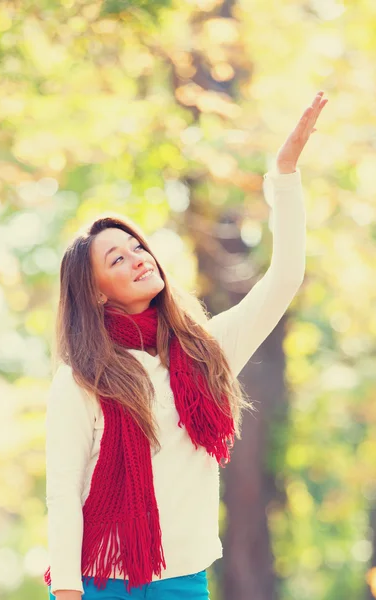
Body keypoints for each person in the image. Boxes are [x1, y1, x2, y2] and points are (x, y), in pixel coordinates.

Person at [44, 91, 328, 600]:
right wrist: (67, 591)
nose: (136, 258)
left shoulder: (205, 350)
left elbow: (285, 277)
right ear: (94, 291)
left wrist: (284, 176)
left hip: (185, 581)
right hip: (98, 581)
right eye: (116, 259)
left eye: (137, 247)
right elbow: (63, 490)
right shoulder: (82, 378)